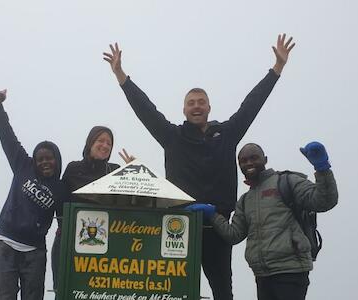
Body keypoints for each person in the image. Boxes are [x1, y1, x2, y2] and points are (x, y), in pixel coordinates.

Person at [103, 34, 295, 299]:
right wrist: (121, 76)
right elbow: (145, 110)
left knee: (222, 292)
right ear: (184, 110)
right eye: (191, 103)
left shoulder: (227, 135)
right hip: (179, 225)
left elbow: (251, 105)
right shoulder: (172, 137)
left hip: (217, 225)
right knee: (173, 291)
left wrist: (277, 69)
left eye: (201, 102)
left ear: (208, 107)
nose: (196, 106)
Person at [187, 141, 338, 300]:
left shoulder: (287, 181)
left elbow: (325, 201)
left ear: (265, 159)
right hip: (262, 275)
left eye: (254, 158)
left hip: (291, 271)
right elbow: (234, 235)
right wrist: (212, 214)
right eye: (243, 161)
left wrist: (323, 169)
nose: (249, 163)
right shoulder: (245, 200)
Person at [0, 89, 64, 300]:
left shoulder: (60, 189)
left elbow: (67, 222)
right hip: (6, 246)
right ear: (34, 161)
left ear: (56, 161)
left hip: (35, 252)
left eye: (49, 158)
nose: (44, 162)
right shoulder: (23, 166)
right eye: (39, 159)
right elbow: (7, 137)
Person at [51, 126, 134, 293]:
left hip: (103, 246)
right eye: (100, 141)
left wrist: (133, 172)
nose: (105, 146)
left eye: (109, 143)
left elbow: (129, 205)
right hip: (69, 243)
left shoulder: (116, 170)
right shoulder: (73, 168)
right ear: (90, 143)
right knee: (65, 291)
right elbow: (61, 205)